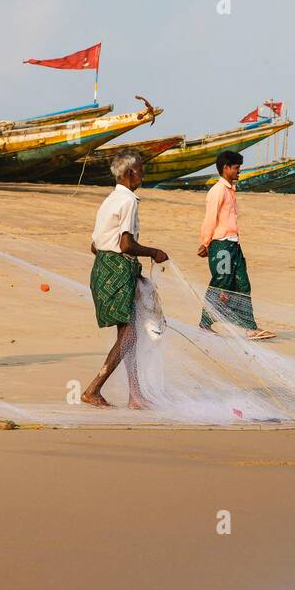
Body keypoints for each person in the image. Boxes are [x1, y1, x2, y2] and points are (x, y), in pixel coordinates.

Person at [82, 152, 169, 409]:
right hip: (117, 269)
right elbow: (126, 244)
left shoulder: (109, 199)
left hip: (104, 268)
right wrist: (154, 252)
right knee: (129, 335)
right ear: (130, 173)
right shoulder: (128, 200)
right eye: (140, 171)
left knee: (127, 334)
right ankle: (93, 389)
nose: (143, 175)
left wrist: (129, 268)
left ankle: (135, 394)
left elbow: (94, 246)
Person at [197, 150, 275, 340]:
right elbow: (210, 218)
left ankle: (250, 328)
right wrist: (205, 242)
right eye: (236, 167)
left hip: (234, 244)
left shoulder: (231, 189)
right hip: (221, 245)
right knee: (220, 282)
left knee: (243, 284)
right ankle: (204, 324)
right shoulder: (217, 191)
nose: (239, 171)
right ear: (226, 168)